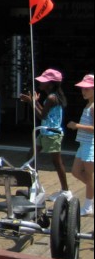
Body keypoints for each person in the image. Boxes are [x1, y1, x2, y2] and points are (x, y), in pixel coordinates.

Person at [20, 69, 70, 201]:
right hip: (44, 132)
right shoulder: (52, 97)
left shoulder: (51, 97)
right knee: (31, 156)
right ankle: (35, 186)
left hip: (52, 134)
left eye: (44, 81)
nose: (40, 83)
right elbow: (44, 113)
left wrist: (32, 102)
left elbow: (41, 115)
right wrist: (35, 102)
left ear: (51, 84)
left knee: (57, 162)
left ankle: (65, 190)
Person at [67, 73, 94, 216]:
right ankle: (92, 192)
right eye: (83, 89)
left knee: (89, 177)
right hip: (83, 144)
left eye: (87, 89)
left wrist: (77, 126)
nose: (84, 91)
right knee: (75, 172)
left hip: (91, 145)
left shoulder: (93, 107)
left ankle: (89, 206)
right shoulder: (88, 105)